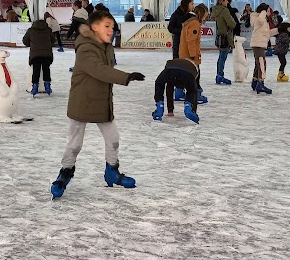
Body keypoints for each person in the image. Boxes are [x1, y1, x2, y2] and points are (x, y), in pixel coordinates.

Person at [49, 11, 145, 199]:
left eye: (112, 26)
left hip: (101, 101)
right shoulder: (85, 48)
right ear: (94, 27)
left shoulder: (106, 46)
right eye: (106, 26)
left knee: (113, 139)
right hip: (82, 101)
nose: (111, 30)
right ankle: (65, 174)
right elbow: (99, 70)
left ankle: (112, 171)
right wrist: (125, 77)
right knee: (75, 144)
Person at [152, 58, 200, 124]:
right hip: (187, 74)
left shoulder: (176, 61)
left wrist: (170, 110)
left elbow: (169, 89)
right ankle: (188, 107)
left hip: (169, 71)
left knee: (159, 84)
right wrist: (194, 110)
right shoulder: (195, 69)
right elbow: (193, 91)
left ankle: (159, 106)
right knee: (191, 90)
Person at [178, 4, 207, 103]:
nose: (205, 19)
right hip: (190, 55)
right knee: (195, 74)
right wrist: (193, 55)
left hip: (184, 53)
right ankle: (195, 95)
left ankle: (179, 92)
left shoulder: (188, 22)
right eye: (205, 16)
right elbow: (191, 40)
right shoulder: (195, 23)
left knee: (184, 74)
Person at [23, 16, 55, 96]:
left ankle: (35, 87)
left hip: (35, 54)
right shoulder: (48, 30)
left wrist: (32, 44)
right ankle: (47, 86)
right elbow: (53, 40)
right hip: (47, 53)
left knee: (36, 70)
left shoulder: (31, 30)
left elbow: (25, 41)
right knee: (46, 69)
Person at [249, 3, 277, 94]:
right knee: (262, 63)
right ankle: (261, 84)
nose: (269, 12)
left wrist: (279, 30)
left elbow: (267, 33)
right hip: (258, 44)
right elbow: (259, 21)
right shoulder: (257, 18)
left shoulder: (264, 20)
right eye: (267, 10)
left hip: (260, 43)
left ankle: (255, 81)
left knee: (258, 63)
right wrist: (264, 11)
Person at [212, 0, 236, 85]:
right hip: (226, 36)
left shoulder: (215, 10)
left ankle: (219, 75)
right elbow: (231, 24)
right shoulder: (225, 11)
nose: (227, 2)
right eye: (226, 0)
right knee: (223, 56)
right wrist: (233, 21)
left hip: (220, 36)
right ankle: (220, 75)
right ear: (222, 1)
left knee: (221, 56)